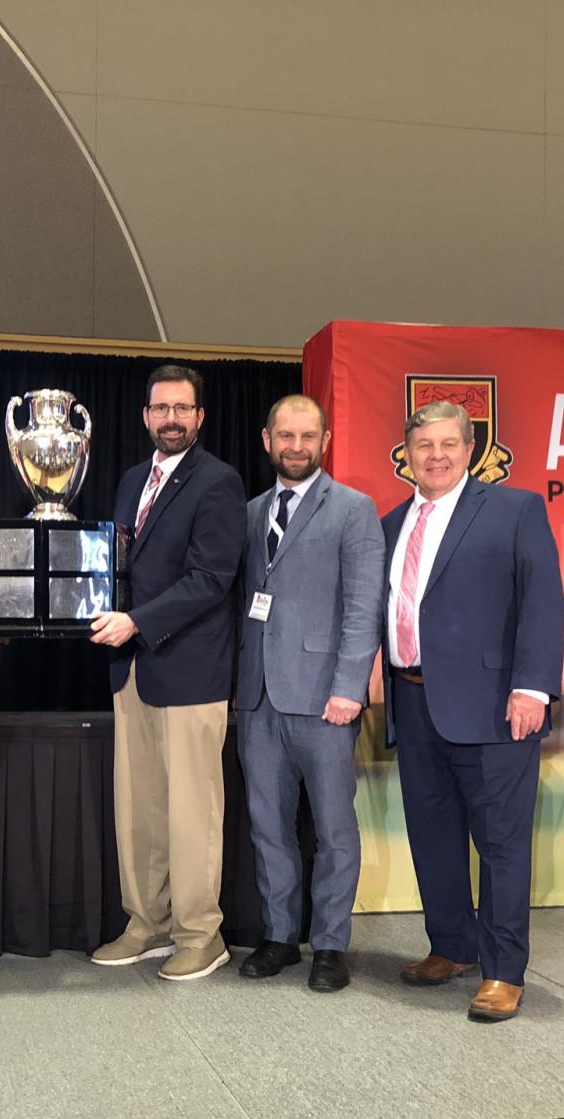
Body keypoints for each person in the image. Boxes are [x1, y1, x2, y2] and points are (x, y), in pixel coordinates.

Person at [380, 400, 564, 1020]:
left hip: (493, 707)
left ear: (470, 450)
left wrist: (533, 688)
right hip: (412, 698)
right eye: (423, 445)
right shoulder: (390, 524)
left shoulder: (515, 510)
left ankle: (504, 971)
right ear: (406, 454)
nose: (435, 455)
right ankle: (451, 946)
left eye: (448, 444)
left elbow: (543, 602)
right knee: (433, 837)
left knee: (501, 843)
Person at [88, 364, 246, 981]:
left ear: (200, 418)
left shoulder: (218, 482)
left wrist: (135, 621)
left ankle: (201, 935)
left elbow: (211, 579)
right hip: (132, 672)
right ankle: (145, 924)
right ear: (146, 417)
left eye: (183, 409)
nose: (171, 419)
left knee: (191, 813)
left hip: (189, 672)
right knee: (140, 810)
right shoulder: (132, 480)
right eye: (161, 409)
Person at [235, 395, 385, 992]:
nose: (296, 446)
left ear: (325, 441)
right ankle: (279, 937)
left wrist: (350, 686)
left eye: (308, 436)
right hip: (257, 700)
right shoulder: (249, 512)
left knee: (332, 830)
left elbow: (363, 606)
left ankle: (329, 944)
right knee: (268, 827)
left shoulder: (353, 509)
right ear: (266, 438)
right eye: (285, 435)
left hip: (326, 700)